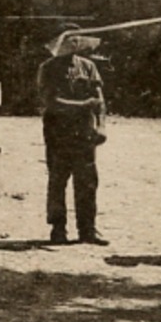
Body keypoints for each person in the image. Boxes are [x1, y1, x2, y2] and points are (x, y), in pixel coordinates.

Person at [36, 24, 108, 246]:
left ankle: (88, 230)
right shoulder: (48, 68)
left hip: (84, 133)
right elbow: (51, 102)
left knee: (87, 182)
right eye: (68, 40)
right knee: (58, 180)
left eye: (77, 39)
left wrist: (101, 126)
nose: (73, 44)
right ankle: (58, 229)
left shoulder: (88, 67)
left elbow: (100, 100)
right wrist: (83, 105)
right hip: (58, 132)